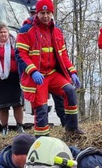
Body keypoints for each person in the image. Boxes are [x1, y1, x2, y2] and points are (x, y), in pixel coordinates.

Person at [16, 0, 85, 137]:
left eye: (48, 13)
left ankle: (71, 128)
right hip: (37, 76)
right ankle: (42, 138)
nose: (46, 16)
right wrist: (33, 71)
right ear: (37, 13)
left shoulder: (57, 31)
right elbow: (21, 54)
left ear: (52, 13)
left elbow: (63, 55)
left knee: (70, 91)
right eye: (42, 13)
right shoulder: (26, 30)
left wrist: (72, 72)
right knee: (41, 108)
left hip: (53, 74)